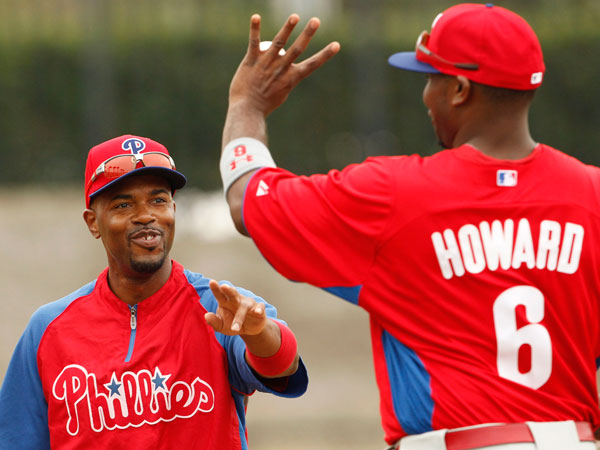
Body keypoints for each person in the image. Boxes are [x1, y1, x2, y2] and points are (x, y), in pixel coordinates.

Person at [218, 4, 600, 450]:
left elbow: (249, 202)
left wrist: (248, 104)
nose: (426, 96)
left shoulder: (395, 195)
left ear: (458, 89)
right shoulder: (591, 194)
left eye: (430, 79)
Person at [0, 135, 308, 449]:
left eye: (158, 200)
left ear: (173, 209)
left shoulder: (220, 307)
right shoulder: (48, 330)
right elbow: (16, 438)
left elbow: (282, 366)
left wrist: (257, 333)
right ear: (93, 223)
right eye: (123, 204)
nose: (146, 215)